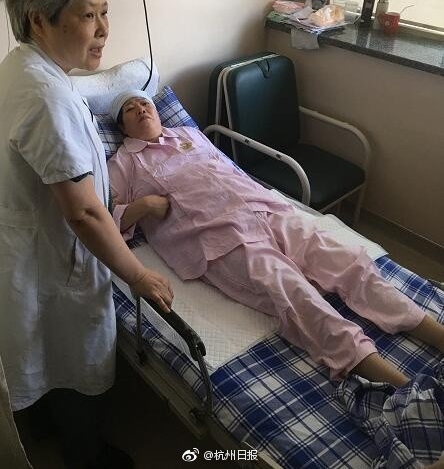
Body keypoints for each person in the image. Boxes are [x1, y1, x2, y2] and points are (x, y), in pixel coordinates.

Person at [108, 89, 444, 388]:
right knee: (295, 295)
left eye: (145, 103)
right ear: (123, 128)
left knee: (349, 263)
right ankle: (403, 386)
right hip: (218, 238)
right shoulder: (123, 163)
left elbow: (228, 169)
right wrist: (144, 206)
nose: (141, 109)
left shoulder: (188, 134)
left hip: (266, 209)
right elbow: (106, 222)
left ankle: (436, 334)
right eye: (130, 109)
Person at [0, 0, 173, 469]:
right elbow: (83, 213)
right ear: (39, 20)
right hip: (52, 260)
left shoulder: (23, 68)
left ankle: (51, 429)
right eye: (87, 15)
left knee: (45, 352)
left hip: (30, 248)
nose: (102, 30)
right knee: (72, 359)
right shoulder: (46, 97)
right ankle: (86, 456)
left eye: (105, 13)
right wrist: (138, 274)